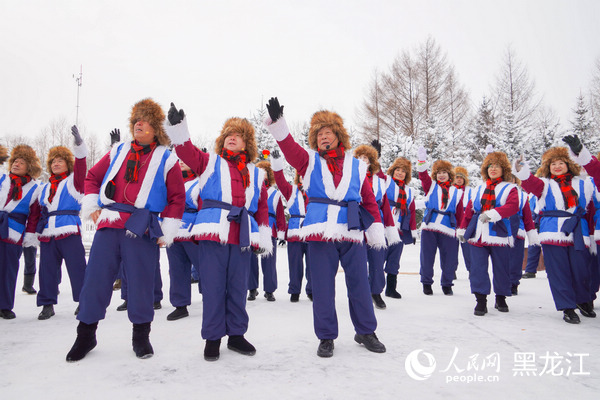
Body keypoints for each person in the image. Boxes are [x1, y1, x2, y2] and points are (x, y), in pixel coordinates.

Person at [264, 97, 387, 358]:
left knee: (360, 285)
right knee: (322, 286)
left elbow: (368, 199)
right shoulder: (308, 162)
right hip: (319, 230)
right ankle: (326, 336)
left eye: (328, 132)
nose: (323, 137)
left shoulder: (357, 165)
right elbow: (288, 148)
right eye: (319, 134)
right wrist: (279, 124)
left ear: (339, 135)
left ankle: (365, 330)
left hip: (351, 229)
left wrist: (375, 227)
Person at [66, 98, 185, 361]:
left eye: (145, 120)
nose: (138, 124)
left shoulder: (167, 158)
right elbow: (92, 178)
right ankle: (86, 334)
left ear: (156, 128)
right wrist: (91, 203)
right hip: (109, 225)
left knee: (142, 284)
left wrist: (168, 228)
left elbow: (178, 198)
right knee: (95, 281)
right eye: (135, 120)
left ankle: (141, 336)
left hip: (141, 227)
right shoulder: (117, 151)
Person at [165, 103, 271, 362]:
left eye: (238, 135)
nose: (232, 137)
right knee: (212, 287)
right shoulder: (209, 162)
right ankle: (212, 338)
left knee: (238, 287)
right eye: (228, 134)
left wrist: (263, 234)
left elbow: (262, 208)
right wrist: (180, 130)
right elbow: (187, 152)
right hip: (213, 231)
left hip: (242, 234)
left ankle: (236, 335)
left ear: (247, 144)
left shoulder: (256, 174)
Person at [513, 143, 595, 324]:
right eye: (553, 164)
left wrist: (581, 154)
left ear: (569, 164)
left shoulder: (583, 183)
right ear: (548, 168)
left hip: (578, 231)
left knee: (581, 270)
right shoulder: (544, 184)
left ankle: (582, 300)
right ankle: (567, 306)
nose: (557, 167)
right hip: (552, 232)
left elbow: (597, 174)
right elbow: (530, 183)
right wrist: (522, 170)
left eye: (561, 163)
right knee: (559, 271)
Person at [457, 151, 519, 316]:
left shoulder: (510, 188)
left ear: (503, 169)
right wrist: (463, 229)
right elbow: (470, 211)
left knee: (501, 268)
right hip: (478, 234)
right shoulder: (479, 188)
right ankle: (481, 300)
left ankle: (501, 298)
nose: (493, 169)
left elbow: (512, 207)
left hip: (499, 232)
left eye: (497, 166)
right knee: (477, 268)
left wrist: (492, 214)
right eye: (490, 166)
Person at [35, 126, 88, 320]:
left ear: (68, 164)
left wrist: (79, 145)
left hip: (69, 230)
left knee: (77, 268)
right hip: (48, 232)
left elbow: (82, 165)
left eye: (60, 161)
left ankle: (84, 301)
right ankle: (47, 304)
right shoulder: (44, 187)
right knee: (46, 270)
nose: (56, 164)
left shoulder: (75, 181)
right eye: (53, 161)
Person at [354, 144, 400, 309]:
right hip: (357, 221)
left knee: (377, 259)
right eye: (360, 157)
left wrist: (390, 227)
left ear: (372, 161)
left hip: (375, 222)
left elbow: (385, 206)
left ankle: (376, 292)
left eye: (366, 158)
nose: (363, 160)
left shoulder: (380, 181)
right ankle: (361, 293)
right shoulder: (350, 177)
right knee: (357, 261)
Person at [0, 144, 42, 319]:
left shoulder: (34, 188)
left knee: (8, 270)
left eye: (21, 162)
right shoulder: (2, 178)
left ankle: (4, 306)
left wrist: (30, 236)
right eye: (15, 161)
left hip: (14, 232)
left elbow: (34, 217)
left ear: (29, 168)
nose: (16, 164)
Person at [416, 146, 463, 295]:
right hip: (430, 225)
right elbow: (423, 176)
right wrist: (422, 162)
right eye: (439, 173)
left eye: (444, 173)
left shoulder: (457, 191)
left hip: (448, 226)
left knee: (449, 258)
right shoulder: (431, 186)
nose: (441, 175)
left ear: (450, 175)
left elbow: (460, 212)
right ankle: (426, 283)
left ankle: (447, 283)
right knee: (427, 256)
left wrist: (461, 229)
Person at [562, 135, 600, 312]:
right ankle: (587, 297)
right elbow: (594, 168)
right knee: (592, 268)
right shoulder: (592, 181)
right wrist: (579, 152)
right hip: (594, 231)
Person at [271, 152, 312, 302]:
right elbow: (280, 181)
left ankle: (312, 290)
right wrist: (277, 164)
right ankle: (295, 290)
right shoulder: (291, 191)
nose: (303, 176)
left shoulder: (316, 190)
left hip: (311, 231)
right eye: (301, 174)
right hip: (295, 231)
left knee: (313, 263)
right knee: (295, 263)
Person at [164, 160, 202, 320]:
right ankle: (180, 305)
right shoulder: (170, 183)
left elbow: (203, 206)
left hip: (193, 229)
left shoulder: (200, 182)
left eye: (185, 160)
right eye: (178, 160)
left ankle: (212, 300)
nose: (181, 163)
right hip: (173, 229)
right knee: (176, 268)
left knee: (204, 267)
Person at [247, 160, 286, 302]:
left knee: (269, 260)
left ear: (269, 174)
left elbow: (280, 214)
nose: (262, 172)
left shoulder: (275, 194)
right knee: (250, 260)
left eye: (265, 170)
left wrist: (282, 232)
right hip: (253, 226)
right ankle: (252, 289)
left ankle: (269, 290)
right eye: (260, 170)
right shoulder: (252, 189)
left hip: (270, 229)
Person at [384, 157, 417, 299]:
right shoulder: (385, 181)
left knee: (394, 260)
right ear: (392, 170)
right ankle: (372, 287)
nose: (400, 173)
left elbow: (412, 210)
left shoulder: (409, 191)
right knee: (377, 259)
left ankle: (391, 288)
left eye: (404, 171)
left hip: (399, 229)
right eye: (398, 169)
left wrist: (413, 230)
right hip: (384, 226)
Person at [507, 175, 539, 295]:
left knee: (516, 258)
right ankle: (503, 282)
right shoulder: (496, 192)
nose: (509, 180)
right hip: (500, 230)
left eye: (511, 178)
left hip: (517, 229)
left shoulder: (522, 195)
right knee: (502, 259)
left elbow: (527, 215)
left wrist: (530, 230)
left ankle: (514, 282)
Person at [453, 166, 472, 275]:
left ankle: (471, 270)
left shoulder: (470, 191)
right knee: (452, 248)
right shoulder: (450, 190)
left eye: (461, 177)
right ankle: (451, 270)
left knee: (468, 248)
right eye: (457, 177)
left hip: (466, 222)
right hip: (454, 221)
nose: (459, 179)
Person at [522, 192, 542, 279]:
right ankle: (530, 270)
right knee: (533, 245)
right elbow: (531, 208)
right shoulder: (532, 195)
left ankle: (551, 270)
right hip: (535, 220)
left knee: (549, 248)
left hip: (545, 219)